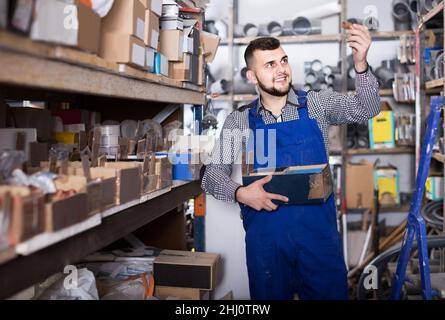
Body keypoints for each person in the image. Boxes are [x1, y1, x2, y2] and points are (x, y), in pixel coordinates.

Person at [201, 24, 380, 300]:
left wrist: (361, 64)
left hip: (319, 241)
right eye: (269, 64)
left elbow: (367, 108)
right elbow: (212, 176)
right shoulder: (240, 120)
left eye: (283, 60)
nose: (281, 69)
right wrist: (241, 193)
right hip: (267, 245)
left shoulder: (317, 105)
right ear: (252, 75)